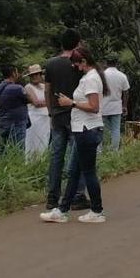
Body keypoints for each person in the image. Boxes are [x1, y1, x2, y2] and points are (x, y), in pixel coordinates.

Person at [40, 46, 110, 224]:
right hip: (83, 129)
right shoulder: (90, 77)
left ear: (84, 62)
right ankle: (62, 210)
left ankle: (96, 209)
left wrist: (71, 103)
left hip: (87, 129)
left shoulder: (91, 79)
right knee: (74, 171)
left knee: (87, 172)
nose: (75, 68)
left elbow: (94, 107)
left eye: (77, 64)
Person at [43, 28, 87, 210]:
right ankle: (77, 195)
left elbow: (47, 90)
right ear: (77, 43)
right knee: (78, 155)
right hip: (76, 114)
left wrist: (50, 111)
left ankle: (52, 196)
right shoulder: (78, 63)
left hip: (57, 115)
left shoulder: (51, 64)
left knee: (56, 156)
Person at [0, 64, 29, 152]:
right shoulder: (17, 88)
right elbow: (31, 99)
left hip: (3, 122)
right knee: (18, 150)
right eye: (17, 72)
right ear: (13, 74)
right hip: (17, 124)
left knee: (2, 150)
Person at [102, 56, 130, 152]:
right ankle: (115, 151)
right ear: (117, 63)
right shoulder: (122, 76)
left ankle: (103, 150)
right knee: (115, 129)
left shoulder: (102, 75)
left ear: (106, 63)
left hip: (103, 106)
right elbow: (126, 92)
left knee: (104, 129)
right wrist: (125, 106)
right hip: (116, 106)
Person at [23, 64, 50, 159]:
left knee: (44, 141)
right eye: (32, 75)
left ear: (40, 75)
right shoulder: (28, 87)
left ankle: (41, 161)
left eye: (37, 74)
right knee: (33, 141)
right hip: (35, 118)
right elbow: (36, 102)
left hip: (46, 118)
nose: (35, 77)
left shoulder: (44, 86)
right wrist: (49, 102)